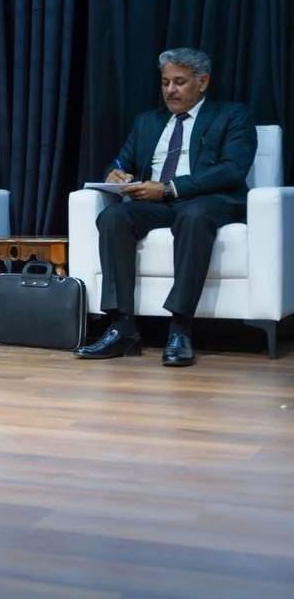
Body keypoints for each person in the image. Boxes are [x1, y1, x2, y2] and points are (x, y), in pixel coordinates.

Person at [74, 48, 255, 367]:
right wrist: (114, 173)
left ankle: (180, 329)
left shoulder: (231, 115)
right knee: (113, 216)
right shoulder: (148, 122)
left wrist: (171, 187)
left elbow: (232, 169)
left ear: (202, 82)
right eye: (165, 82)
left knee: (194, 216)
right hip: (157, 203)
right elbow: (121, 161)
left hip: (208, 201)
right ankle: (121, 327)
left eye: (179, 82)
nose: (170, 90)